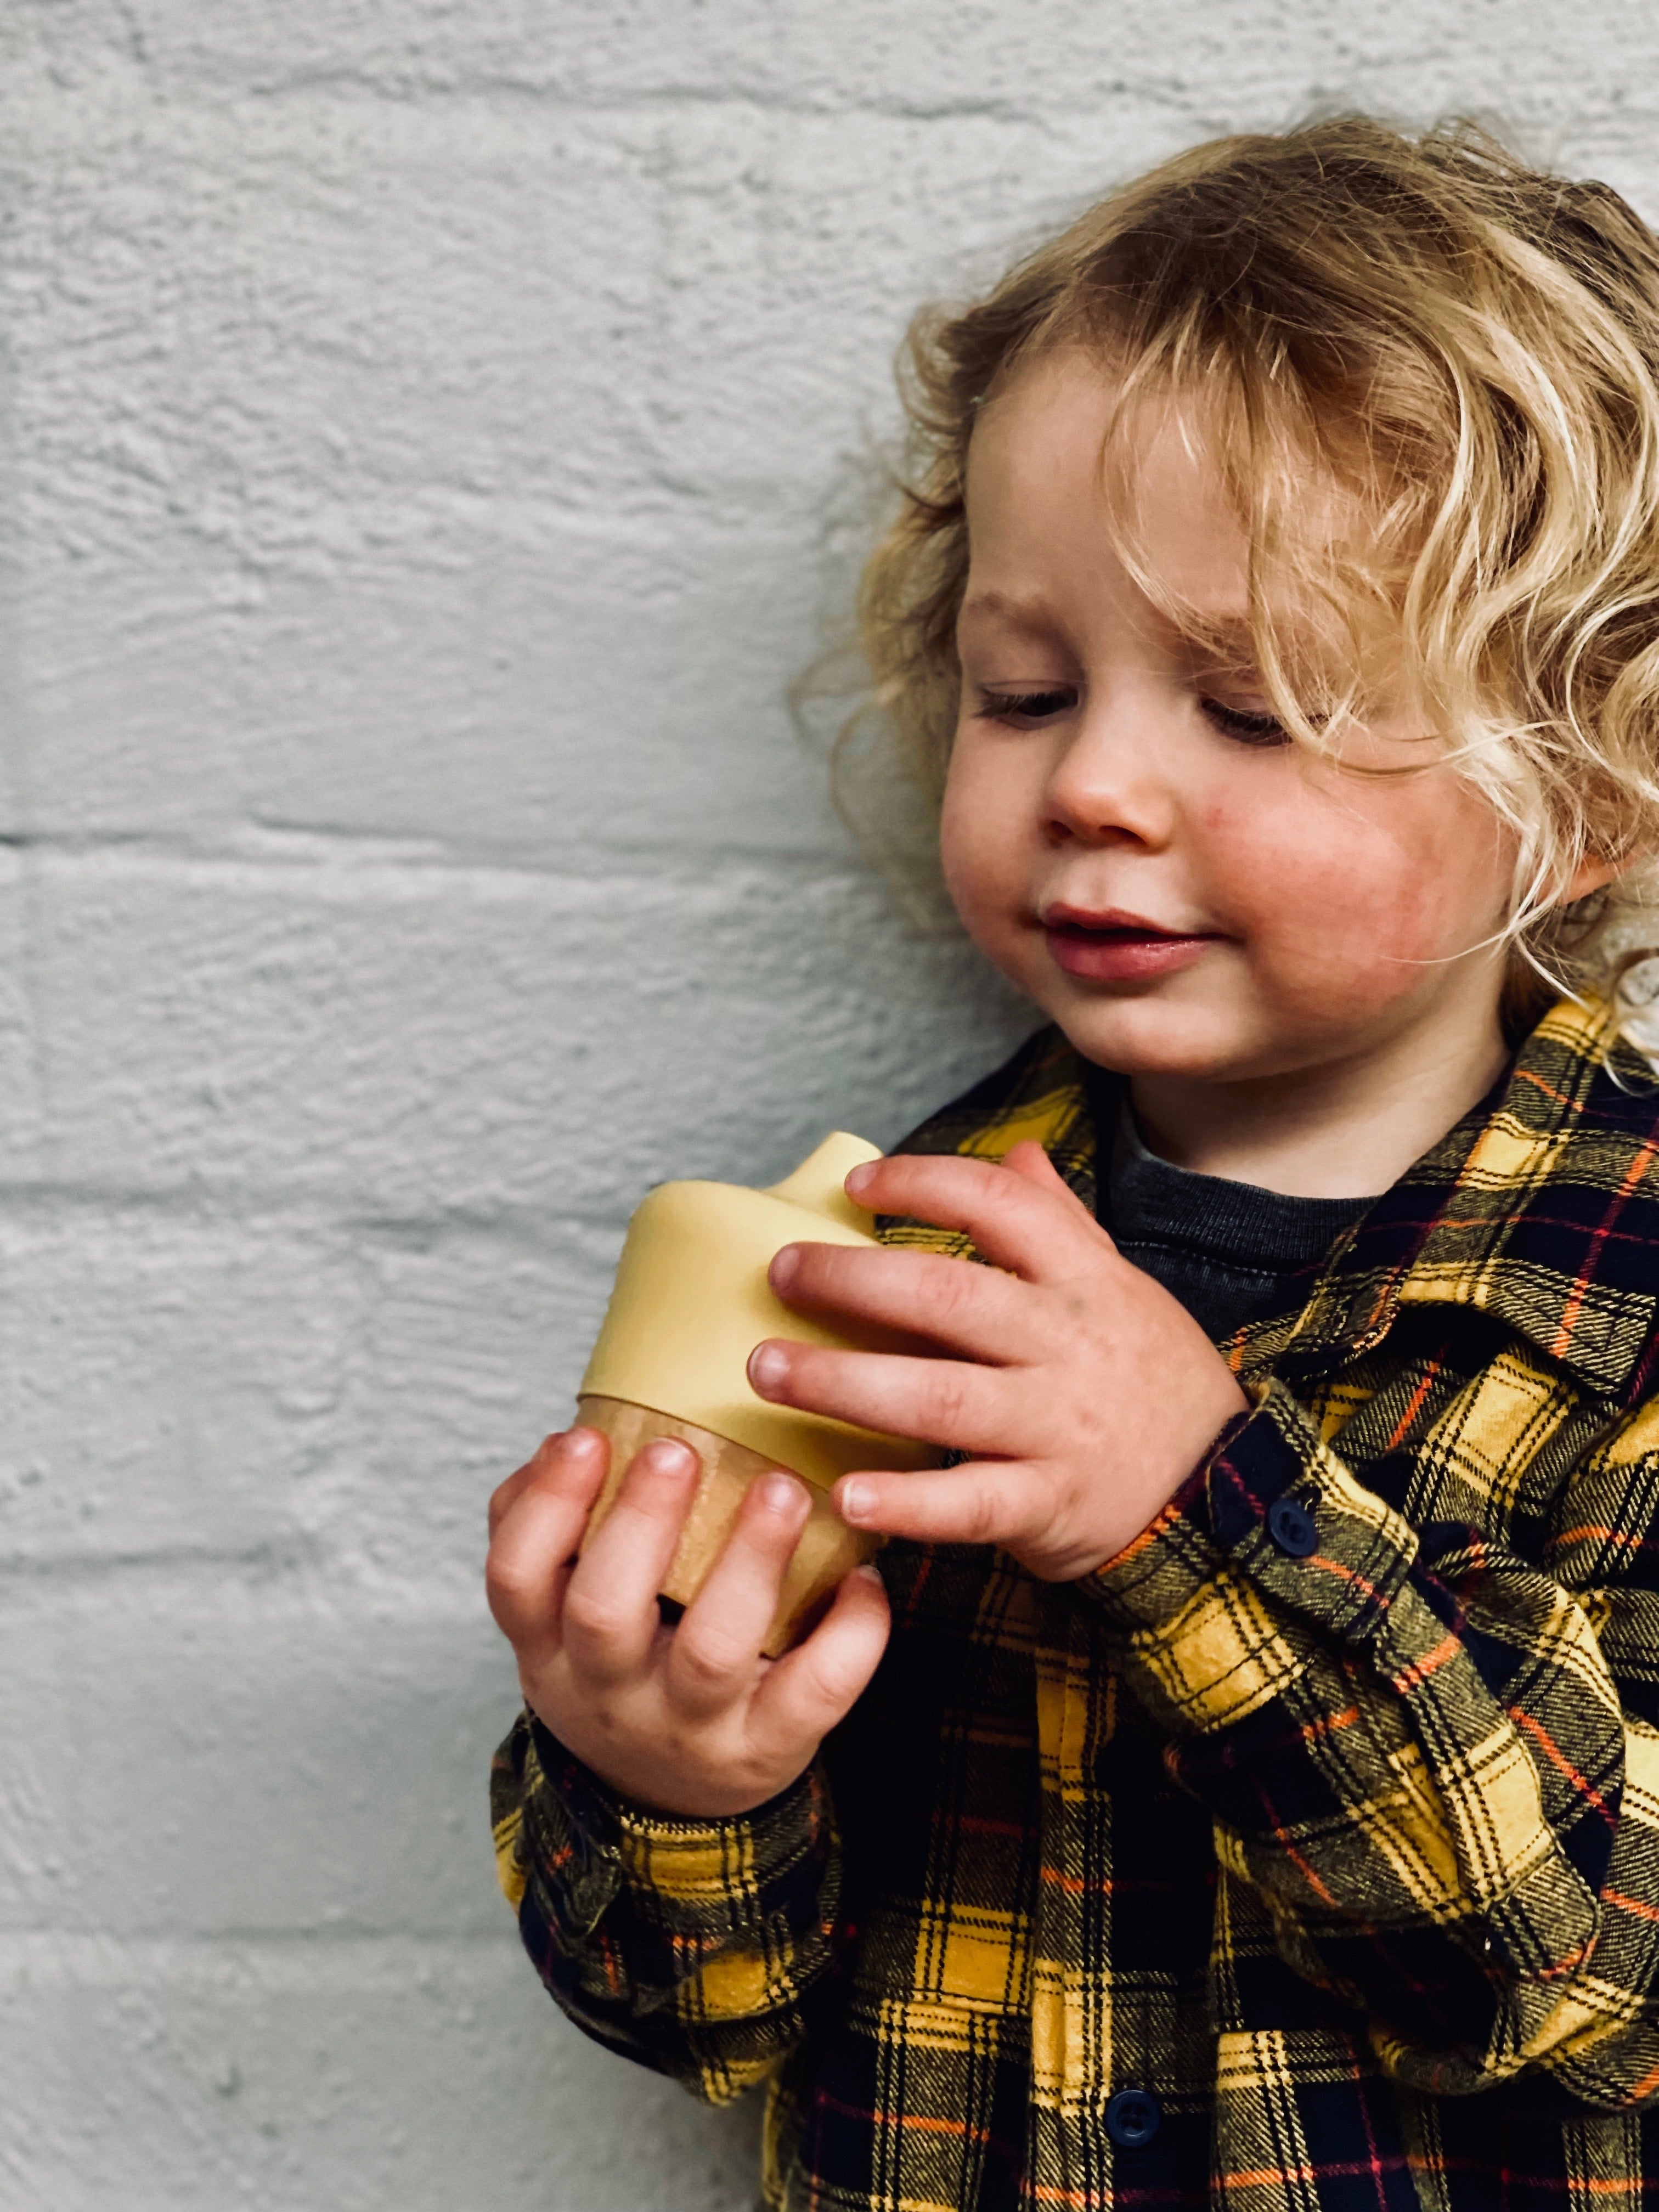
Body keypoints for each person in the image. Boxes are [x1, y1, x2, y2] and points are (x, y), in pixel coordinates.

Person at [485, 115, 1659, 2212]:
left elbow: (1584, 1958)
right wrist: (665, 1775)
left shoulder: (1639, 1293)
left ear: (1580, 786)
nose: (1097, 780)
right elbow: (703, 2018)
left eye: (1253, 705)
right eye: (1027, 688)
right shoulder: (867, 1268)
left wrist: (1186, 1502)